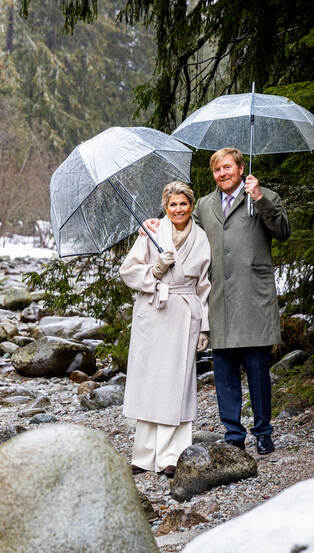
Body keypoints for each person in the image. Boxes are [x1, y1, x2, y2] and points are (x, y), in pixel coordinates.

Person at [143, 147, 290, 455]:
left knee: (258, 372)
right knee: (224, 372)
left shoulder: (263, 197)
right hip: (218, 299)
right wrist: (156, 225)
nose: (222, 174)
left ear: (240, 169)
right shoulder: (206, 206)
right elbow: (180, 226)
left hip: (253, 298)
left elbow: (283, 231)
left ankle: (263, 431)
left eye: (227, 168)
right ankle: (233, 434)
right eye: (216, 170)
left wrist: (259, 198)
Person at [119, 181, 211, 476]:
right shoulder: (149, 232)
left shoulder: (202, 238)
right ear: (165, 207)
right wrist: (156, 270)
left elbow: (204, 287)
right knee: (150, 382)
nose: (178, 209)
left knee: (178, 383)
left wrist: (205, 328)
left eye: (183, 203)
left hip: (185, 313)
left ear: (191, 206)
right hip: (153, 311)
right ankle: (143, 455)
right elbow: (128, 272)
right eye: (173, 204)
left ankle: (173, 455)